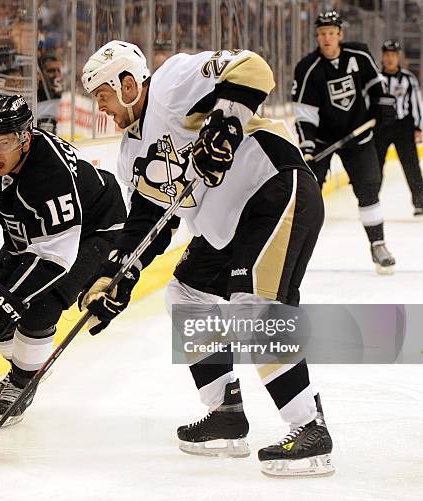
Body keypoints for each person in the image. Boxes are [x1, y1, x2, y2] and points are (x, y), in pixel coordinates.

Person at [80, 40, 333, 477]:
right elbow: (148, 224)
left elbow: (253, 69)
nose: (102, 109)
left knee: (252, 307)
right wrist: (118, 276)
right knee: (185, 295)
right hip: (227, 228)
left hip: (273, 189)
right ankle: (226, 413)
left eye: (103, 96)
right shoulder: (131, 154)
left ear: (126, 83)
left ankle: (310, 429)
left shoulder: (171, 84)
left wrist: (226, 124)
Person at [0, 94, 126, 425]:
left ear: (24, 137)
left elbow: (56, 256)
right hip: (36, 236)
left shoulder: (49, 171)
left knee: (40, 304)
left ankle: (22, 380)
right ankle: (25, 366)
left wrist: (6, 298)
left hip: (96, 229)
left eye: (3, 142)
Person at [292, 10, 397, 274]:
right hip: (323, 139)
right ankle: (293, 251)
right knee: (309, 196)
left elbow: (377, 89)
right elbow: (305, 113)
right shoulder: (308, 68)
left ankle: (378, 244)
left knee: (368, 190)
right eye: (322, 34)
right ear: (317, 36)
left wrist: (382, 106)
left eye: (331, 33)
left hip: (358, 135)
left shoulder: (359, 55)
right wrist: (308, 146)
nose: (326, 38)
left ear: (340, 34)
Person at [374, 39, 423, 216]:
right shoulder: (376, 79)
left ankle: (420, 203)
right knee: (376, 165)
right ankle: (372, 202)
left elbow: (416, 103)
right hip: (381, 128)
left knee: (411, 165)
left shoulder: (409, 78)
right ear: (382, 56)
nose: (389, 58)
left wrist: (418, 127)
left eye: (393, 55)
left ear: (399, 56)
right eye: (386, 55)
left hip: (403, 126)